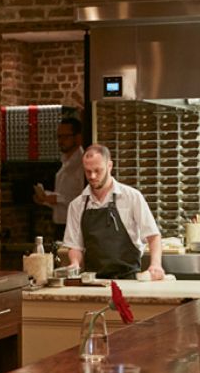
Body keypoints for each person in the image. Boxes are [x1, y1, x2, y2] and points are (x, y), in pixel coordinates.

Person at [63, 144, 165, 281]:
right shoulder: (77, 205)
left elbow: (153, 236)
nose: (92, 176)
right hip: (94, 282)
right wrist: (75, 263)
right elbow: (75, 245)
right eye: (88, 171)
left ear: (109, 166)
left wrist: (156, 265)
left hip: (129, 280)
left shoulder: (131, 197)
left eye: (97, 171)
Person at [32, 117, 84, 240]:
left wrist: (57, 199)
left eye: (66, 137)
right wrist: (45, 199)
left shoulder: (82, 164)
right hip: (61, 225)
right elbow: (63, 198)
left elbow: (85, 198)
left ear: (77, 138)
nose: (61, 141)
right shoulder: (65, 163)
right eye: (59, 137)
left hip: (75, 227)